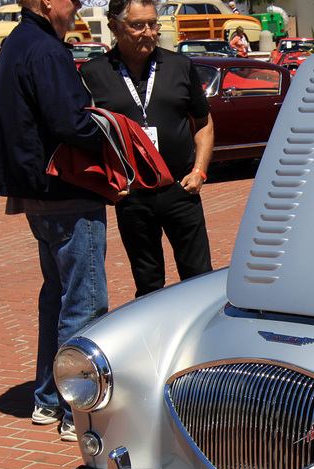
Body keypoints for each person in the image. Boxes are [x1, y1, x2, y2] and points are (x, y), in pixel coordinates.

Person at [0, 0, 109, 442]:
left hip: (36, 192)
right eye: (71, 0)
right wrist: (115, 130)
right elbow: (71, 123)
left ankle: (47, 398)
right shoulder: (46, 48)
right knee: (85, 302)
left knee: (57, 296)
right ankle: (78, 411)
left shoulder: (19, 43)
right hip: (66, 193)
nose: (76, 7)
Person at [81, 0, 214, 298]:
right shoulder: (93, 73)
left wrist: (200, 171)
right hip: (132, 196)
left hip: (181, 188)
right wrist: (106, 183)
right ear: (114, 26)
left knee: (199, 278)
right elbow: (86, 135)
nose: (149, 32)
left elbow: (203, 121)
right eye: (137, 25)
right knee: (149, 283)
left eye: (153, 24)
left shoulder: (180, 65)